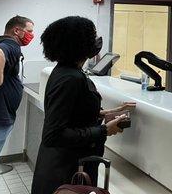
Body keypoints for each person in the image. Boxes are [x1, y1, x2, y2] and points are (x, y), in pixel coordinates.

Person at [31, 16, 135, 194]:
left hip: (62, 165)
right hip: (67, 171)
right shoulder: (71, 78)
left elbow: (72, 112)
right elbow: (53, 134)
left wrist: (104, 113)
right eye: (92, 36)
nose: (96, 41)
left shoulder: (65, 71)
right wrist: (104, 130)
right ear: (79, 43)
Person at [0, 15, 34, 175]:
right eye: (29, 31)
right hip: (0, 113)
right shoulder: (9, 45)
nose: (31, 35)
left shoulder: (2, 41)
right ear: (16, 30)